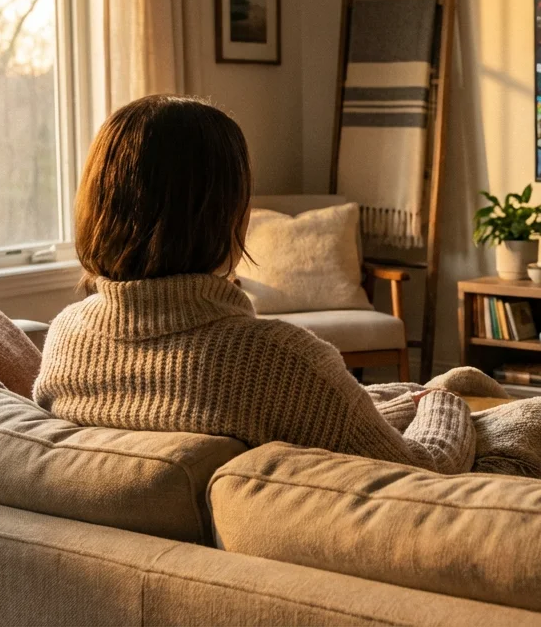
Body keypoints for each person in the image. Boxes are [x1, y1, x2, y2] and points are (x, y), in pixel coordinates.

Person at [34, 95, 478, 474]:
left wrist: (405, 402)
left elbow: (317, 411)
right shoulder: (275, 359)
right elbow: (422, 472)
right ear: (223, 212)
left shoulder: (66, 337)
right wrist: (445, 401)